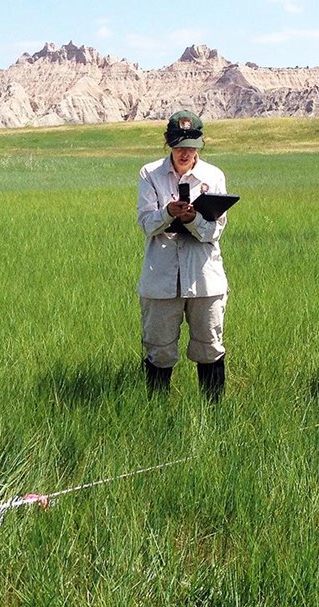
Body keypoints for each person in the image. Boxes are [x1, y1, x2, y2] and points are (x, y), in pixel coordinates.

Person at [136, 110, 230, 400]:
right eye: (179, 146)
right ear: (167, 142)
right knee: (159, 348)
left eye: (191, 146)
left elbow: (215, 231)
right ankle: (155, 411)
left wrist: (192, 220)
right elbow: (146, 224)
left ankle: (214, 413)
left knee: (209, 346)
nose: (185, 153)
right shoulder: (149, 174)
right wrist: (167, 213)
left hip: (204, 278)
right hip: (160, 278)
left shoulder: (213, 176)